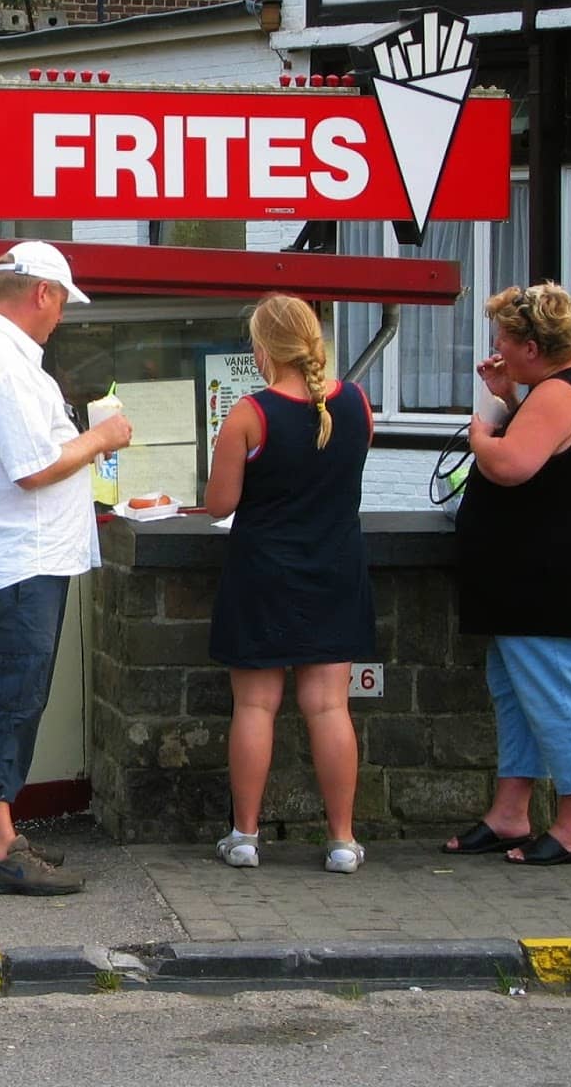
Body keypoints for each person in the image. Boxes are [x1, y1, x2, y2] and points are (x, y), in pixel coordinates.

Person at [0, 240, 132, 896]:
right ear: (42, 293)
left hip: (9, 558)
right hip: (20, 559)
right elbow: (33, 468)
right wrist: (102, 438)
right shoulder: (1, 362)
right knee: (8, 702)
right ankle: (2, 851)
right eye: (61, 303)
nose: (61, 317)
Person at [445, 282, 571, 866]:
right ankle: (510, 813)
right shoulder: (566, 385)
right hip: (536, 584)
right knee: (520, 697)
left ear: (531, 347)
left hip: (560, 587)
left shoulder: (560, 394)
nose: (497, 347)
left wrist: (480, 433)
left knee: (564, 699)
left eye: (504, 338)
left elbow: (510, 464)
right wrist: (507, 398)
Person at [206, 293, 374, 874]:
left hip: (264, 571)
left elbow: (219, 503)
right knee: (329, 706)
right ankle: (343, 841)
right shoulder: (357, 403)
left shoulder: (249, 414)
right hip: (335, 566)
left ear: (262, 350)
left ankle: (245, 837)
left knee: (255, 704)